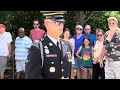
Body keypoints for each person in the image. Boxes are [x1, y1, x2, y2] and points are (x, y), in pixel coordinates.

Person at [25, 11, 72, 79]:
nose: (61, 25)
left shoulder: (67, 45)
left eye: (62, 23)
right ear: (46, 23)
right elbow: (32, 76)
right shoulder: (38, 47)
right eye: (57, 23)